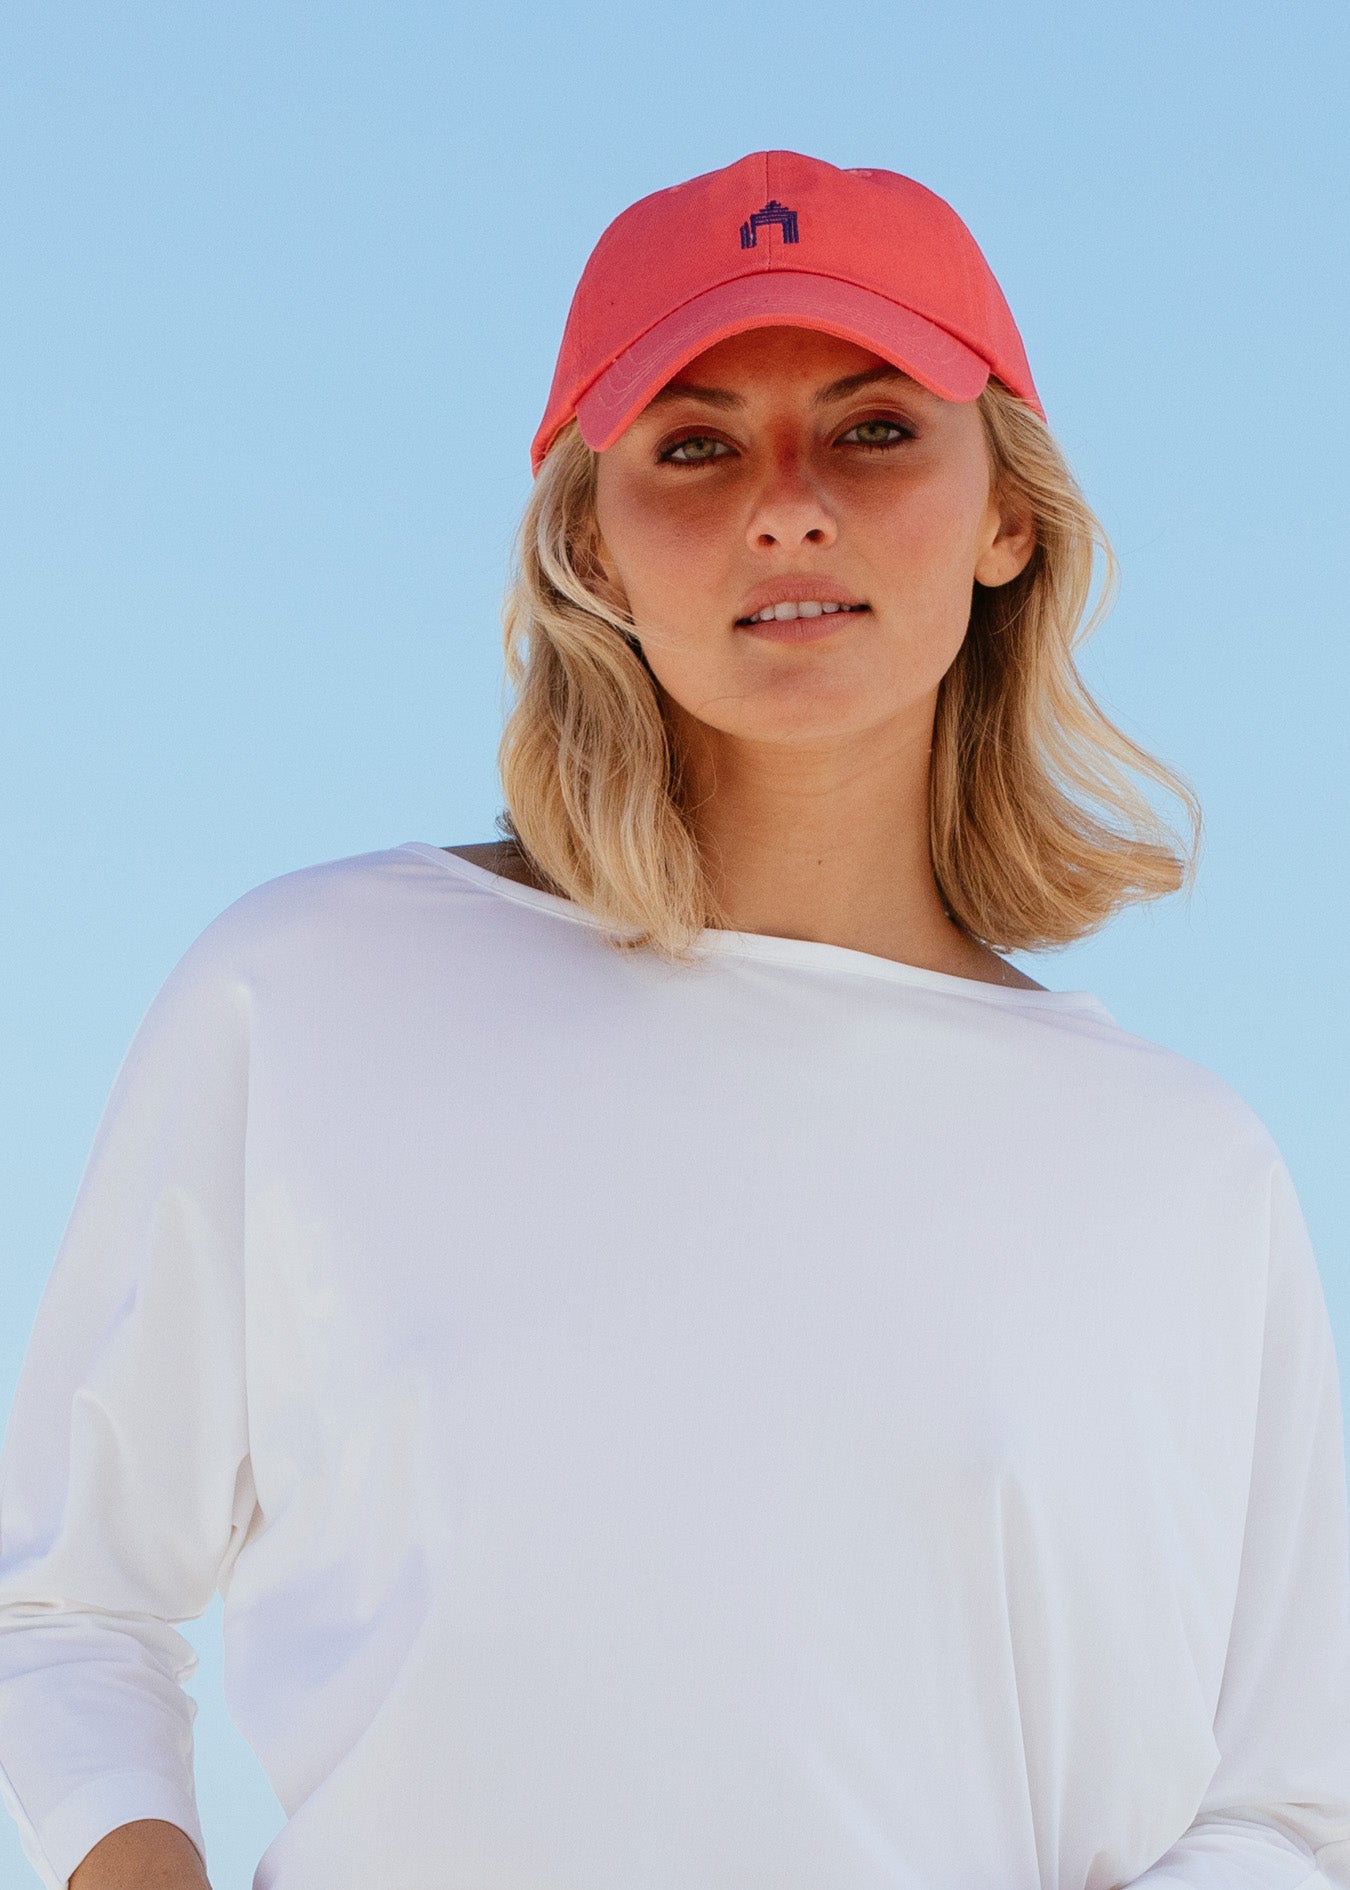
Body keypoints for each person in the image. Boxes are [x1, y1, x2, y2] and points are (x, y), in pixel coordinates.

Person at [1, 148, 1347, 1890]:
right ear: (590, 535)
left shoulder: (1179, 1167)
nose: (788, 505)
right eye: (694, 444)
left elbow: (1285, 1801)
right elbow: (61, 1595)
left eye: (874, 428)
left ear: (1005, 512)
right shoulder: (313, 993)